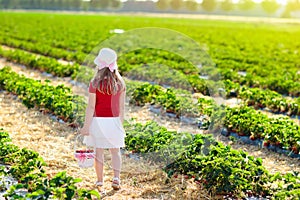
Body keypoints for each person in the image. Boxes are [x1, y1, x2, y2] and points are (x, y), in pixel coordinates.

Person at [80, 48, 126, 192]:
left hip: (98, 121)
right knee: (115, 151)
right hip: (114, 121)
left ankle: (100, 182)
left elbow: (91, 107)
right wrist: (120, 125)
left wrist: (86, 126)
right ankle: (116, 178)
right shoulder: (120, 83)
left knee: (98, 152)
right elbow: (122, 107)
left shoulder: (95, 82)